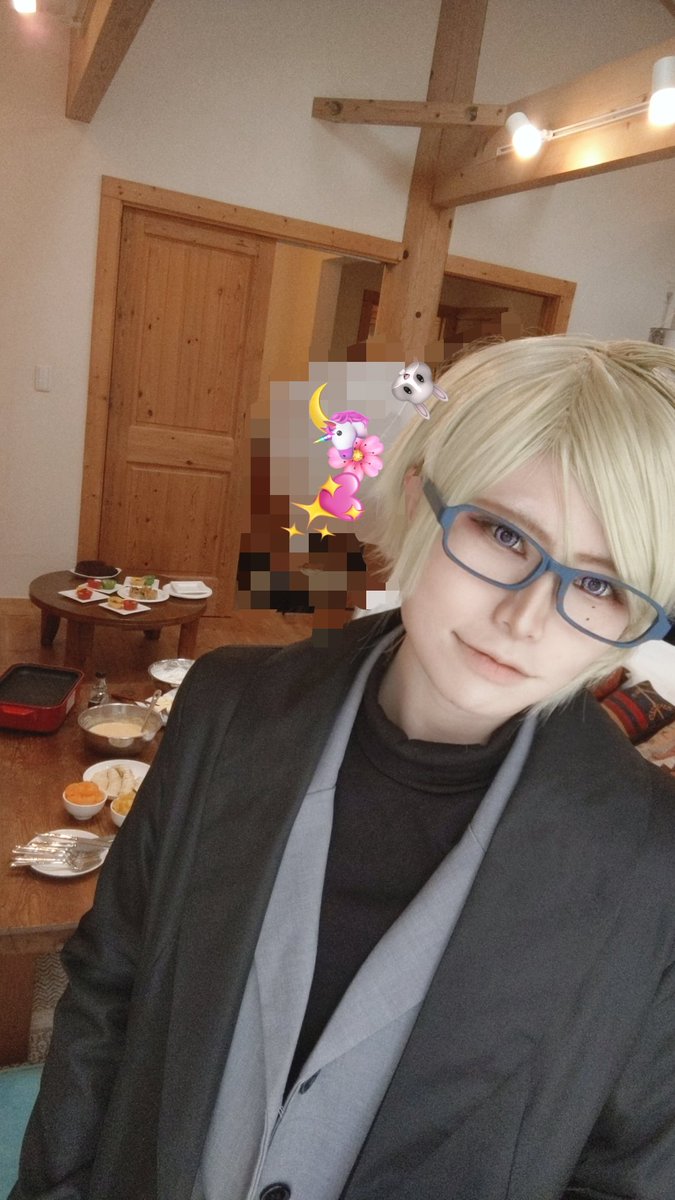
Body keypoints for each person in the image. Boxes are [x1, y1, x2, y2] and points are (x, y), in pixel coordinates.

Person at [11, 336, 675, 1200]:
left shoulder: (650, 860)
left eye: (598, 586)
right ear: (418, 495)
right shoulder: (226, 706)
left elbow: (628, 1172)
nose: (525, 618)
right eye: (505, 534)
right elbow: (110, 983)